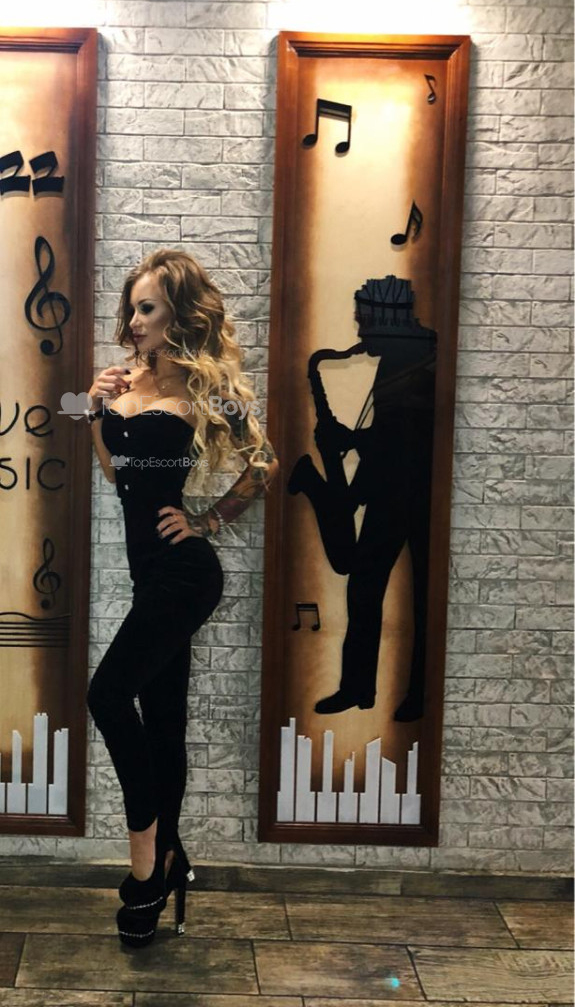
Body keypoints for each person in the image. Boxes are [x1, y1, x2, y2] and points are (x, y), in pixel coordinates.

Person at [84, 249, 279, 947]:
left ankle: (146, 866)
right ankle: (171, 857)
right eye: (131, 308)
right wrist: (95, 410)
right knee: (162, 722)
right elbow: (116, 474)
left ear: (179, 315)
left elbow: (263, 464)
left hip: (185, 573)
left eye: (148, 309)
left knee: (106, 697)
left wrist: (206, 520)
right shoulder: (125, 381)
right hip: (149, 575)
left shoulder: (207, 389)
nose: (133, 321)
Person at [287, 275, 437, 723]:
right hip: (391, 492)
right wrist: (348, 443)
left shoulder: (423, 358)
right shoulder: (402, 356)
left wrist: (349, 441)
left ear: (384, 316)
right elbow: (391, 432)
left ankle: (417, 695)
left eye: (363, 318)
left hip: (417, 497)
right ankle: (358, 688)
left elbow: (411, 440)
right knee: (363, 591)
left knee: (419, 600)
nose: (357, 327)